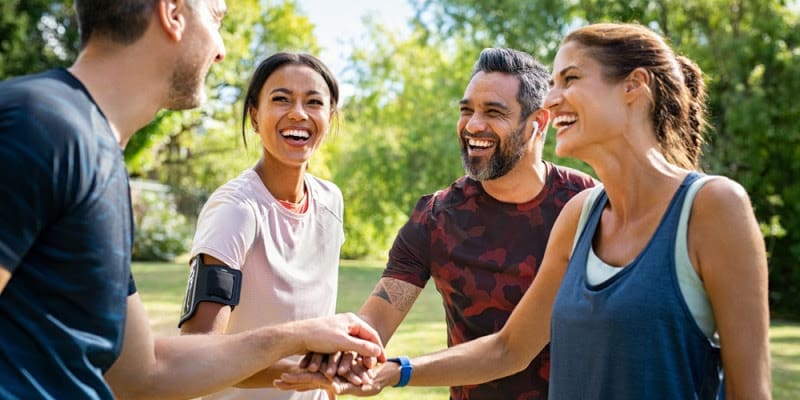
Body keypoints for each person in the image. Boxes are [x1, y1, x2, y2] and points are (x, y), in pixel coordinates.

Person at [278, 22, 771, 399]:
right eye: (466, 109)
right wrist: (365, 361)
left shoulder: (696, 207)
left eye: (570, 79)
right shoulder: (558, 217)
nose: (472, 124)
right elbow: (506, 348)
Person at [0, 1, 384, 399]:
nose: (220, 50)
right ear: (172, 12)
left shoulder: (102, 160)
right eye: (216, 18)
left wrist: (304, 338)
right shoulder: (39, 126)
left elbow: (146, 373)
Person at [293, 47, 596, 399]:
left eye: (493, 112)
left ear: (538, 123)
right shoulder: (436, 217)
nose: (473, 125)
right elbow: (377, 320)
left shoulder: (588, 203)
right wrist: (341, 356)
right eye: (466, 110)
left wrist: (399, 371)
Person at [177, 51, 346, 400]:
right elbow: (197, 354)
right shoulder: (235, 211)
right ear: (255, 116)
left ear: (330, 117)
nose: (298, 113)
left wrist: (326, 380)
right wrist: (307, 373)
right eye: (281, 99)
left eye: (314, 102)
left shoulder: (331, 201)